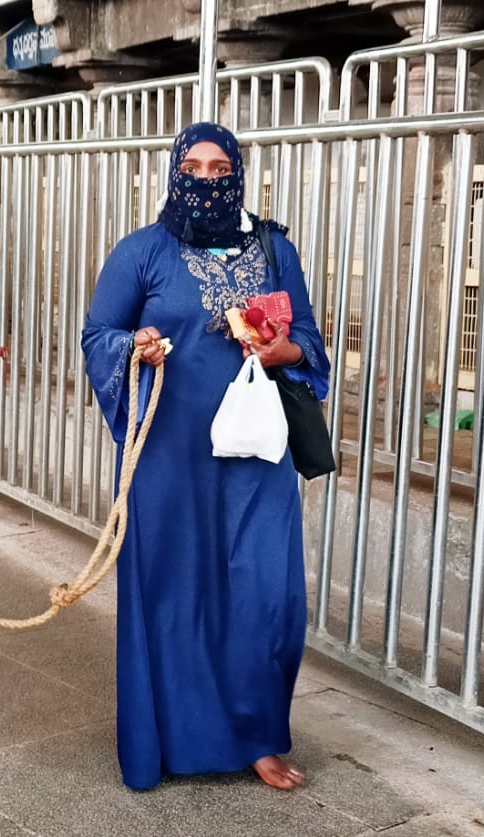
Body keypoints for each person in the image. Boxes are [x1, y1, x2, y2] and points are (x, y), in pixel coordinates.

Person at [81, 122, 330, 793]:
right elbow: (98, 334)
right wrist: (138, 346)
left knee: (267, 594)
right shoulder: (142, 253)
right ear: (172, 172)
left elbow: (309, 337)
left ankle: (259, 736)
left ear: (240, 174)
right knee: (174, 593)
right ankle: (166, 738)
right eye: (192, 166)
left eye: (221, 168)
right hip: (168, 455)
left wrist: (284, 350)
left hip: (254, 452)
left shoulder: (275, 250)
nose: (207, 178)